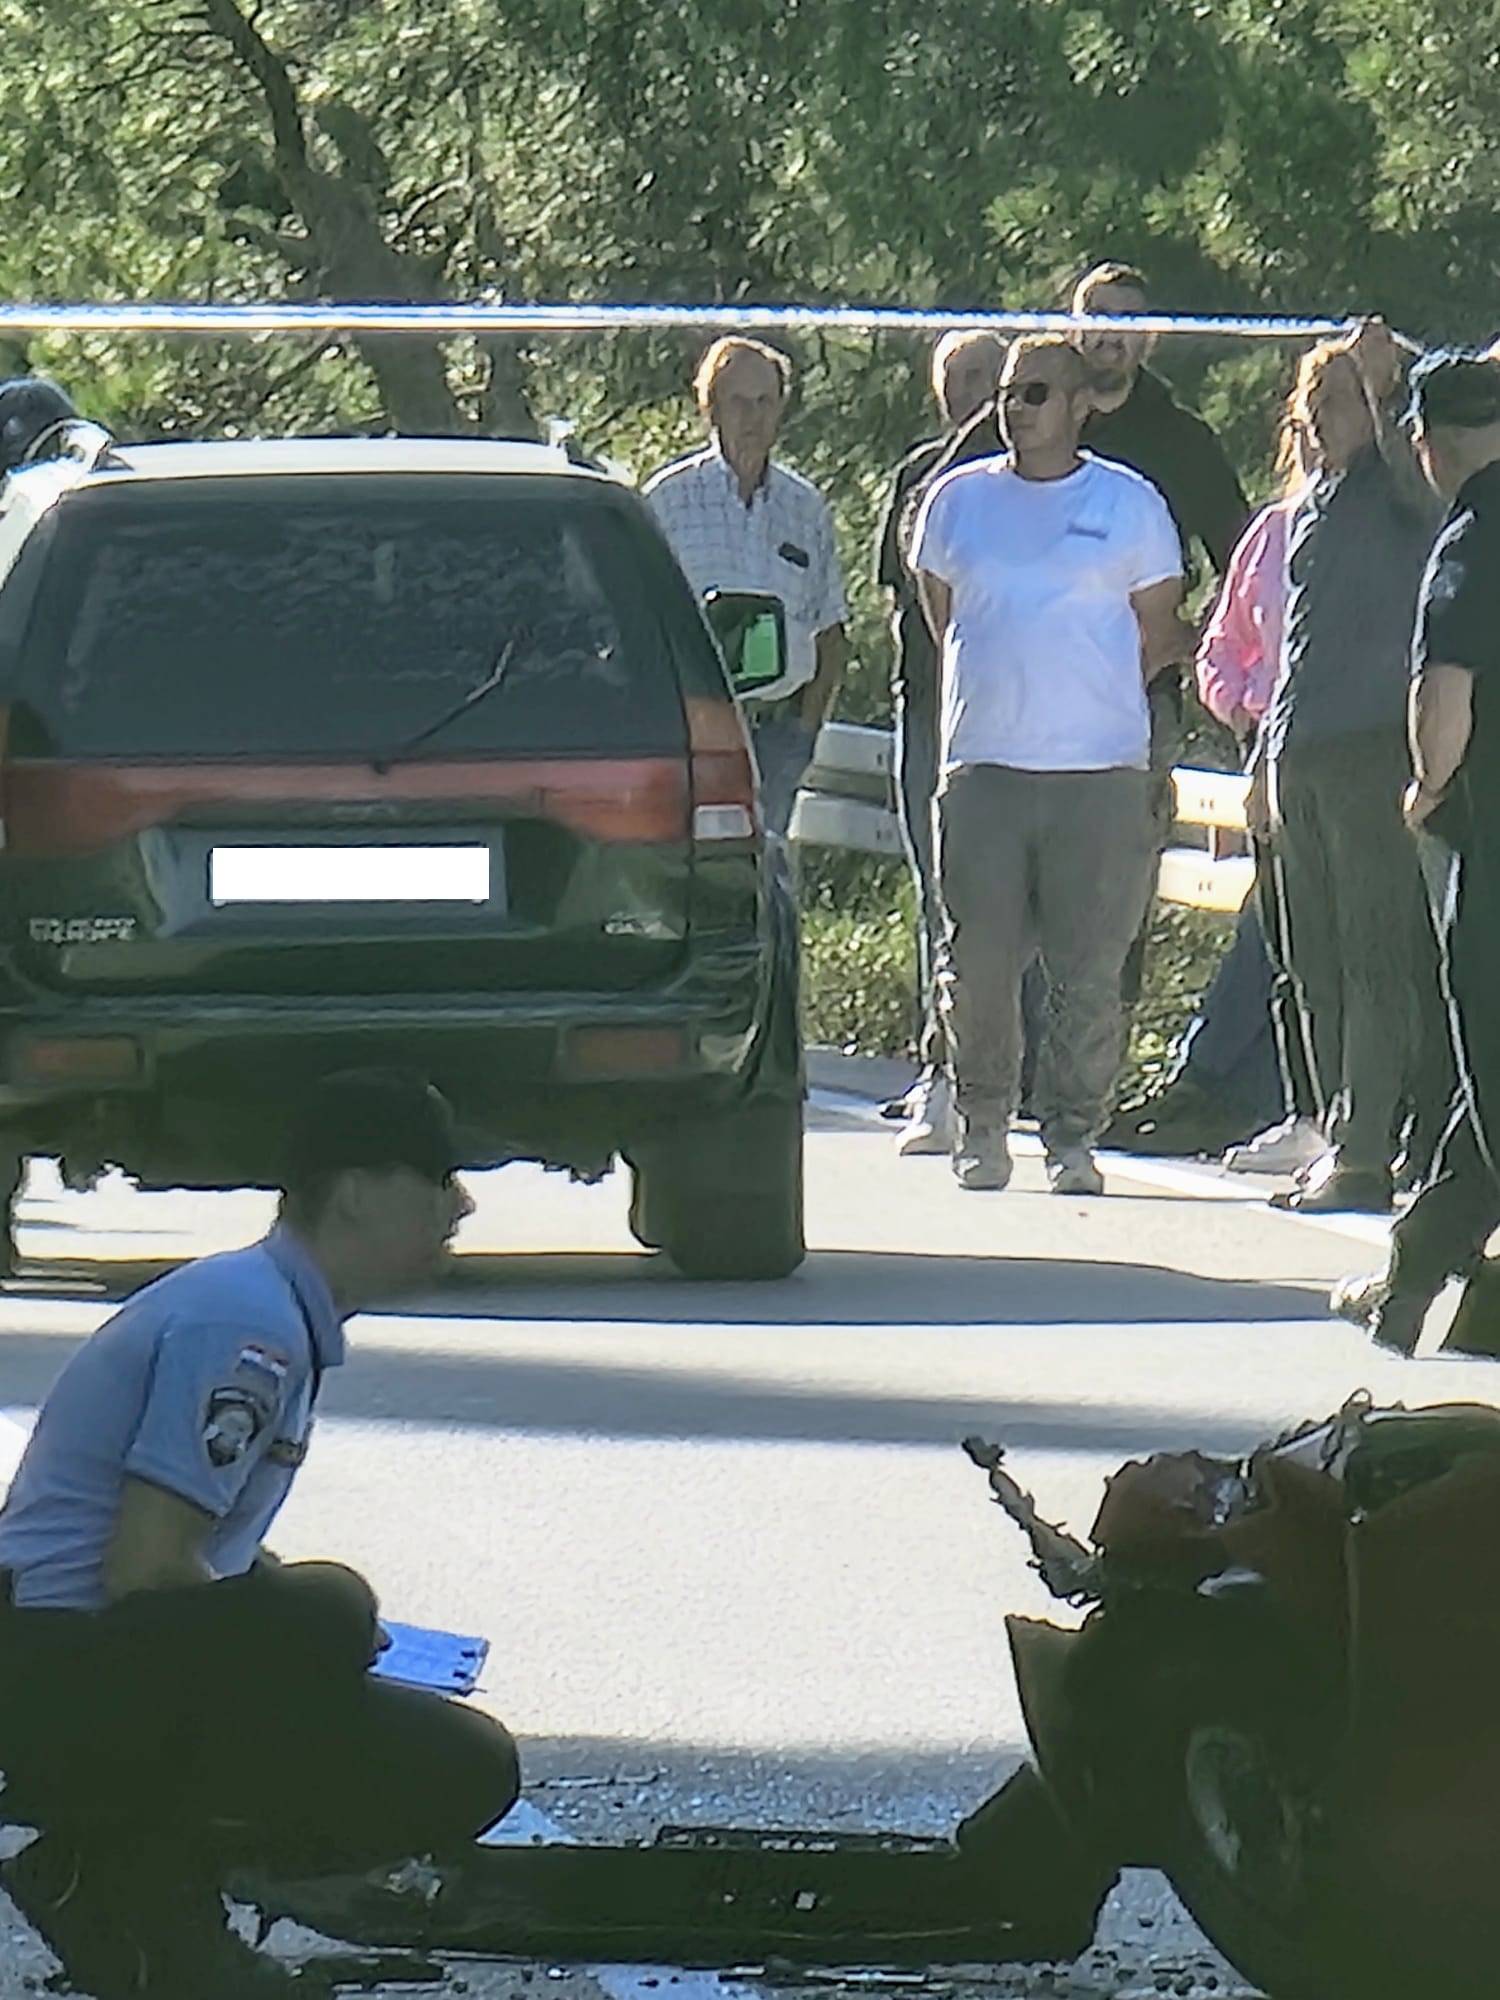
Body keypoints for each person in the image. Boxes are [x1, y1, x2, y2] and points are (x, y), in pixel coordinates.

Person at [0, 1068, 518, 1997]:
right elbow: (147, 1567)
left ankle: (123, 1885)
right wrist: (321, 1629)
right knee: (328, 1615)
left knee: (456, 1754)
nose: (462, 1205)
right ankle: (139, 1889)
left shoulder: (267, 1308)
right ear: (357, 1190)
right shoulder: (247, 1325)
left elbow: (199, 1556)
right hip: (54, 1670)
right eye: (439, 1178)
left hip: (77, 1662)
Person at [909, 336, 1186, 1194]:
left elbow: (1159, 630)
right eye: (1006, 394)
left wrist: (1090, 696)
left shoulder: (1130, 504)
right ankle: (983, 1123)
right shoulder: (957, 502)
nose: (1015, 408)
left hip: (1098, 769)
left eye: (1035, 393)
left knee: (1087, 970)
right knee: (980, 962)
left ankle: (1072, 1136)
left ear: (1080, 405)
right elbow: (940, 612)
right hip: (985, 763)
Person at [1260, 322, 1450, 1215]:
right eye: (1314, 404)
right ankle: (1339, 1130)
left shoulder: (1400, 490)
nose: (1321, 421)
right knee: (1316, 961)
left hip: (1374, 746)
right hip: (1302, 747)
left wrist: (1381, 389)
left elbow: (1422, 486)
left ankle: (1369, 1144)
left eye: (1336, 402)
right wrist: (1267, 763)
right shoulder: (1315, 506)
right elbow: (1291, 649)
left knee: (1378, 957)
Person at [1332, 353, 1500, 1352]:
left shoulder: (1474, 539)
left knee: (1495, 1074)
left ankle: (1419, 1277)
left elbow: (1447, 691)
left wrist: (1429, 785)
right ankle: (1414, 1279)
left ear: (1425, 446)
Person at [1105, 427, 1323, 1169]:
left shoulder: (1393, 524)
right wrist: (1242, 704)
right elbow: (1221, 645)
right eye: (1310, 417)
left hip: (1348, 748)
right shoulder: (1274, 533)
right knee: (1280, 920)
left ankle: (1225, 1085)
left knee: (1290, 923)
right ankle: (1226, 1091)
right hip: (1268, 745)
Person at [874, 330, 1008, 1147]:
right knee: (942, 893)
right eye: (963, 381)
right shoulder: (922, 477)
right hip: (932, 708)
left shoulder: (1041, 487)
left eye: (995, 380)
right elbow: (908, 579)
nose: (982, 396)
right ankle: (943, 1072)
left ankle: (1008, 1069)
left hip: (1011, 711)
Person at [644, 338, 850, 836]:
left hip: (778, 734)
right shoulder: (667, 502)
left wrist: (805, 731)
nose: (752, 417)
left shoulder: (805, 509)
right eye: (738, 402)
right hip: (692, 735)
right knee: (697, 876)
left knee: (766, 879)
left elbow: (832, 632)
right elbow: (640, 627)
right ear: (710, 407)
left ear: (781, 407)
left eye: (765, 402)